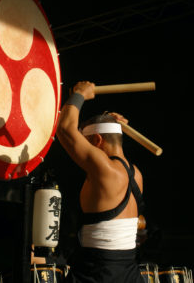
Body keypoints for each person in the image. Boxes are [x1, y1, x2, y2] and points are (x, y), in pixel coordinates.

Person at [56, 81, 145, 283]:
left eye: (86, 143)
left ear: (97, 141)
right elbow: (78, 135)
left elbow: (65, 130)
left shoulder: (105, 170)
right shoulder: (136, 174)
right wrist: (108, 120)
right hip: (129, 273)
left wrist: (79, 95)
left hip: (98, 274)